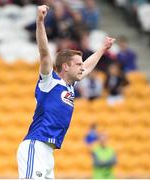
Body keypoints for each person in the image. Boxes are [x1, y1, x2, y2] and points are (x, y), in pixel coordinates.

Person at [16, 4, 115, 179]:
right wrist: (40, 20)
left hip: (48, 152)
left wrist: (103, 48)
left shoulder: (70, 86)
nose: (81, 67)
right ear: (65, 66)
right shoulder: (49, 82)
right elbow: (44, 53)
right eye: (78, 64)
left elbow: (88, 67)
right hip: (36, 145)